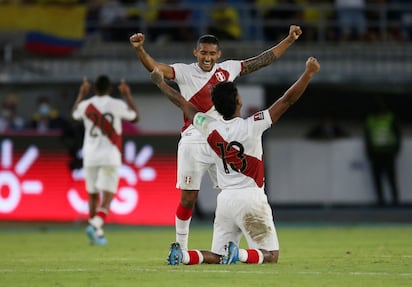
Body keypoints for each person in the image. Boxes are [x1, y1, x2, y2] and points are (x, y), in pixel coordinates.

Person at [130, 24, 302, 252]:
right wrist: (140, 50)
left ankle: (228, 248)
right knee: (188, 198)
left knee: (231, 193)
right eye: (203, 52)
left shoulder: (228, 69)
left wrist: (289, 40)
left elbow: (263, 60)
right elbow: (156, 68)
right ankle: (180, 247)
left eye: (212, 53)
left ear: (218, 54)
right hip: (193, 139)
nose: (207, 57)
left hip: (220, 141)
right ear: (196, 52)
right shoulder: (184, 71)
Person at [151, 56, 320, 265]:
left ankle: (183, 255)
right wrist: (308, 74)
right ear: (239, 101)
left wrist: (160, 83)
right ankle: (239, 254)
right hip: (251, 198)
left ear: (215, 105)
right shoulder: (253, 125)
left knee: (219, 256)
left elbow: (183, 103)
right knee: (271, 256)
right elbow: (287, 100)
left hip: (225, 200)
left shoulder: (208, 126)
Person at [72, 75, 139, 245]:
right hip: (110, 155)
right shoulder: (117, 104)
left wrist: (81, 93)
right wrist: (127, 94)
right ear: (110, 89)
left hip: (91, 155)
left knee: (93, 195)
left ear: (94, 88)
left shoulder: (86, 105)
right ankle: (95, 225)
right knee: (108, 195)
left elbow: (74, 115)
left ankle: (97, 234)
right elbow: (135, 117)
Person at [363, 96, 401, 206]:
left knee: (391, 178)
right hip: (376, 153)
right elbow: (367, 136)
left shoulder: (390, 117)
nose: (380, 108)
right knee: (377, 178)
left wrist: (396, 149)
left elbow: (398, 134)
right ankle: (380, 200)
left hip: (388, 152)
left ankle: (395, 200)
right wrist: (369, 152)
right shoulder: (370, 119)